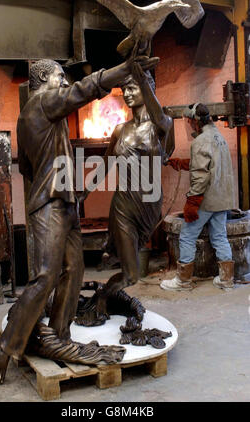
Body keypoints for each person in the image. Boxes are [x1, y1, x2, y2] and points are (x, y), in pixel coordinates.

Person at [0, 56, 157, 384]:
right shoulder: (39, 105)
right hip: (50, 203)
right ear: (42, 80)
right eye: (59, 77)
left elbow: (25, 164)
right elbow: (82, 90)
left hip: (63, 200)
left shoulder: (47, 116)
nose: (64, 83)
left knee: (74, 270)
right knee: (45, 277)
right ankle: (7, 345)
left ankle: (60, 335)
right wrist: (124, 70)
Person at [81, 61, 172, 322]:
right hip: (123, 204)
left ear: (148, 90)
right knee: (131, 273)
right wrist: (84, 192)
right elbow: (106, 164)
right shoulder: (121, 130)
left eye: (133, 88)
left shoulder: (161, 126)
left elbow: (159, 117)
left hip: (149, 205)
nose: (128, 93)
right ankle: (100, 300)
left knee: (133, 272)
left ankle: (104, 297)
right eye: (125, 89)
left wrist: (138, 70)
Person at [160, 103, 236, 292]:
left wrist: (192, 202)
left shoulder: (200, 141)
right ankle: (226, 279)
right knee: (219, 236)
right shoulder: (219, 137)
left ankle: (183, 281)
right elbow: (209, 164)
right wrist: (180, 163)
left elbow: (201, 174)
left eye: (188, 121)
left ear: (195, 121)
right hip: (222, 199)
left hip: (206, 199)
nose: (188, 125)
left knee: (186, 236)